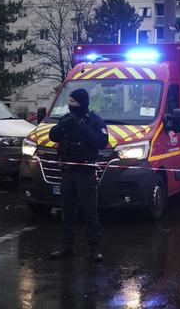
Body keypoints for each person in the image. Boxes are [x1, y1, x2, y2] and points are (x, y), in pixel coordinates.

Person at [49, 88, 108, 262]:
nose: (70, 104)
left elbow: (102, 142)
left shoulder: (94, 121)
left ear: (82, 103)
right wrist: (62, 126)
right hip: (68, 171)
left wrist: (82, 130)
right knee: (67, 211)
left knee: (90, 211)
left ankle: (94, 248)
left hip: (86, 171)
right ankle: (66, 246)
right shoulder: (67, 119)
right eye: (69, 101)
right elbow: (53, 136)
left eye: (73, 102)